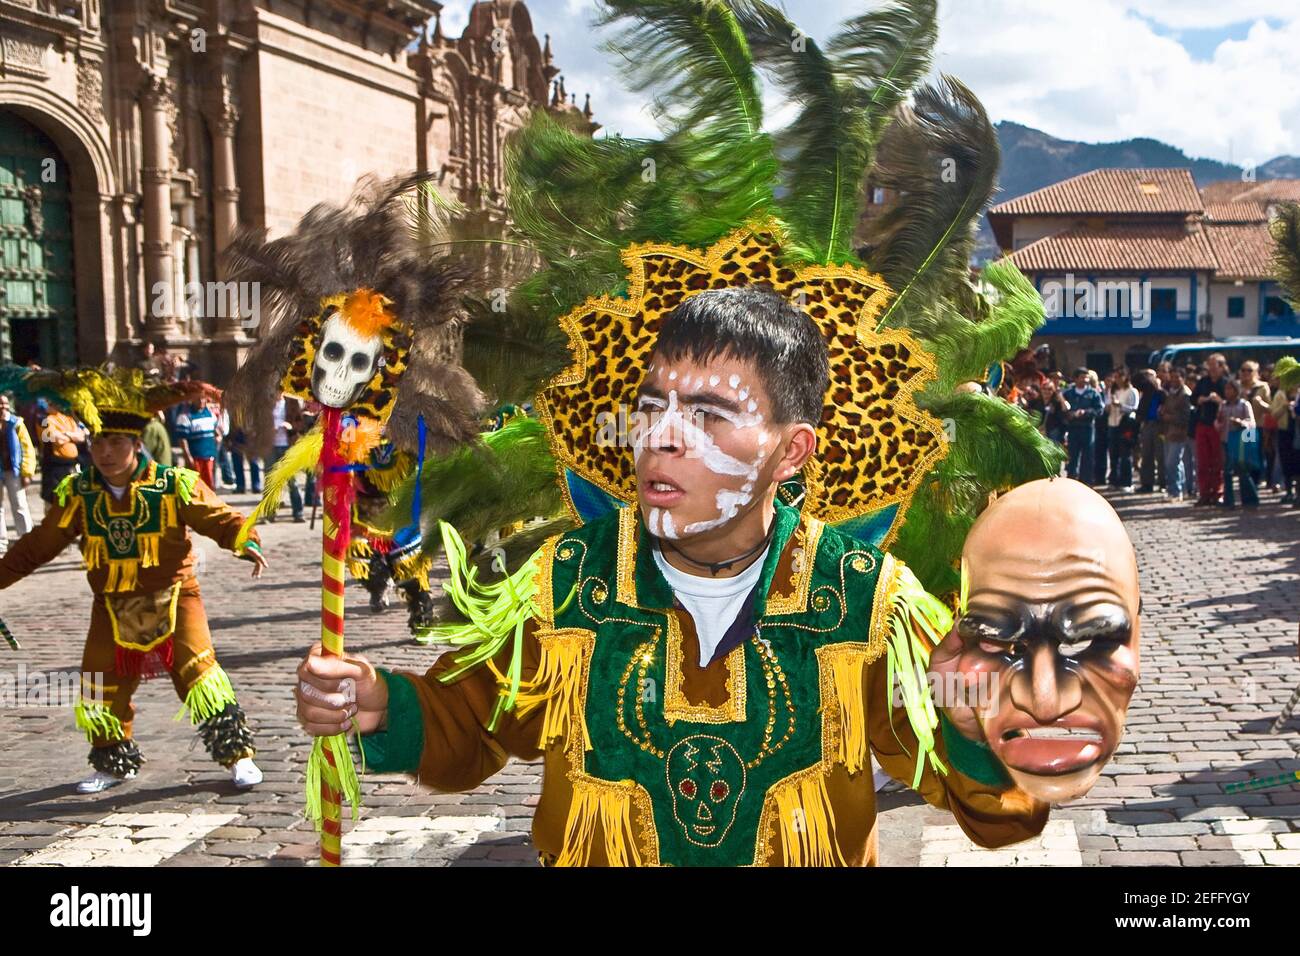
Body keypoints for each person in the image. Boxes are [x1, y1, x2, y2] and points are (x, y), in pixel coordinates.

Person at [297, 287, 1056, 866]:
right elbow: (466, 726)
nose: (661, 435)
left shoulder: (867, 602)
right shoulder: (569, 583)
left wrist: (969, 714)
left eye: (707, 414)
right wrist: (377, 705)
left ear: (791, 452)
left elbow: (1000, 813)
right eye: (653, 404)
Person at [0, 368, 268, 793]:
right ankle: (112, 761)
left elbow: (217, 517)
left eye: (117, 442)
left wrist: (243, 539)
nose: (106, 452)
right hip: (111, 603)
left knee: (200, 674)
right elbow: (38, 545)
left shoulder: (172, 484)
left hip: (176, 597)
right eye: (99, 442)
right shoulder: (79, 494)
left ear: (137, 444)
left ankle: (237, 757)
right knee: (99, 681)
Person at [1191, 352, 1229, 505]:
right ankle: (1204, 492)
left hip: (1218, 425)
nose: (1211, 369)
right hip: (1203, 423)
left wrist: (1220, 401)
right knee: (1203, 461)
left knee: (1217, 461)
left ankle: (1218, 492)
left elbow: (1233, 402)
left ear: (1221, 367)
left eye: (1214, 365)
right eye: (1210, 365)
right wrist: (1199, 399)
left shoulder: (1226, 383)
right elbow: (1193, 398)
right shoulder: (1203, 382)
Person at [0, 394, 36, 553]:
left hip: (14, 471)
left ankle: (26, 542)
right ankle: (1, 545)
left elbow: (27, 448)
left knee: (20, 504)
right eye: (0, 404)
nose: (3, 407)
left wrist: (27, 472)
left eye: (5, 403)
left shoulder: (16, 423)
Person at [35, 397, 86, 503]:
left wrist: (66, 434)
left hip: (72, 466)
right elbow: (57, 439)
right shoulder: (44, 419)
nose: (54, 405)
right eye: (51, 403)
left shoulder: (68, 419)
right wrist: (72, 436)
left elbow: (81, 437)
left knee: (72, 499)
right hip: (54, 467)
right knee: (56, 502)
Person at [1217, 379, 1259, 508]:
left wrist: (1240, 423)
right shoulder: (1223, 405)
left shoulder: (1244, 405)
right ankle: (1229, 501)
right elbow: (1218, 423)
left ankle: (1250, 500)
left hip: (1241, 442)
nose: (1227, 392)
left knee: (1243, 471)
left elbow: (1252, 423)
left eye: (1230, 389)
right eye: (1226, 389)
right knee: (1227, 472)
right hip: (1227, 440)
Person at [1062, 367, 1103, 482]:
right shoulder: (1068, 393)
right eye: (1082, 377)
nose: (1085, 380)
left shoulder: (1093, 393)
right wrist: (1069, 414)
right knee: (1072, 456)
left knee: (1088, 457)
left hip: (1087, 428)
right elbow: (1061, 409)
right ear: (1075, 379)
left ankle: (1086, 481)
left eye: (1087, 377)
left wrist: (1086, 412)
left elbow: (1099, 410)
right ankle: (1071, 480)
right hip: (1073, 428)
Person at [1159, 367, 1193, 501]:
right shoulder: (1171, 393)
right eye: (1172, 377)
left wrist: (1170, 417)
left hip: (1178, 433)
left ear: (1183, 378)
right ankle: (1182, 490)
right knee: (1177, 463)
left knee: (1171, 463)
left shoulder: (1185, 395)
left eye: (1177, 377)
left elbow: (1185, 417)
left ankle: (1175, 491)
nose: (1173, 380)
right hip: (1168, 432)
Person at [175, 395, 221, 490]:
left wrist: (218, 437)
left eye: (203, 398)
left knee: (209, 485)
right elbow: (182, 440)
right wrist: (188, 457)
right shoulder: (185, 416)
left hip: (209, 456)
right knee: (195, 485)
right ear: (192, 399)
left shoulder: (210, 414)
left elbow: (216, 430)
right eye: (198, 398)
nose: (201, 401)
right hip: (195, 457)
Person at [1105, 368, 1138, 491]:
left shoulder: (1131, 391)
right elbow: (1107, 405)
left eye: (1120, 376)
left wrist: (1120, 405)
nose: (1117, 379)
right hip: (1112, 423)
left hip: (1125, 424)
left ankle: (1127, 482)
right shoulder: (1112, 390)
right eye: (1115, 376)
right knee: (1113, 454)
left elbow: (1134, 408)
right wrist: (1108, 406)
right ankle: (1114, 480)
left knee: (1125, 454)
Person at [1134, 368, 1164, 492]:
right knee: (1146, 455)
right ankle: (1147, 483)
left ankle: (1163, 483)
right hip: (1147, 424)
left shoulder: (1161, 393)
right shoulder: (1145, 394)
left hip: (1159, 425)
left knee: (1160, 455)